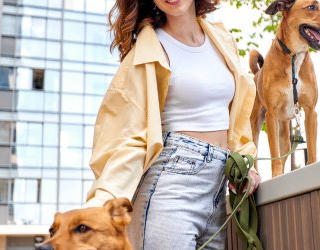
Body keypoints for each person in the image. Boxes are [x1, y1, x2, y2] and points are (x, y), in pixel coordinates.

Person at [83, 0, 261, 248]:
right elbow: (123, 132)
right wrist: (103, 199)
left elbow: (237, 113)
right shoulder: (147, 50)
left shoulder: (220, 38)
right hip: (171, 182)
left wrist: (245, 159)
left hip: (218, 187)